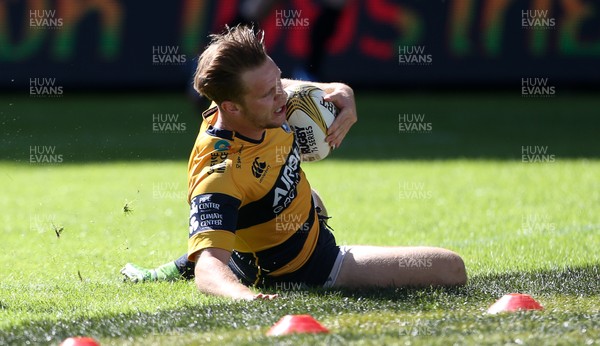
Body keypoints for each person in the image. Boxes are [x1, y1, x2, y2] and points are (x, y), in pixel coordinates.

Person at [121, 25, 467, 300]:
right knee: (451, 268)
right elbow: (210, 269)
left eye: (279, 80)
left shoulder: (263, 99)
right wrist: (246, 299)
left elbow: (292, 86)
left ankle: (184, 262)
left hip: (292, 222)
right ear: (232, 108)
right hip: (305, 267)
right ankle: (204, 262)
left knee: (312, 196)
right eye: (269, 93)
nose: (283, 95)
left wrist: (340, 90)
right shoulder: (220, 173)